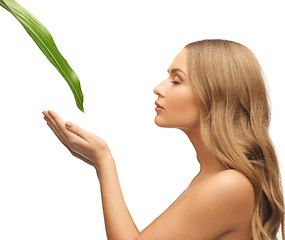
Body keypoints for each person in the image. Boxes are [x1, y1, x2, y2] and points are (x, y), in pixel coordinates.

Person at [42, 39, 284, 240]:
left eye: (176, 80)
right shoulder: (211, 178)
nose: (159, 88)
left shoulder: (230, 185)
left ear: (214, 95)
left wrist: (104, 162)